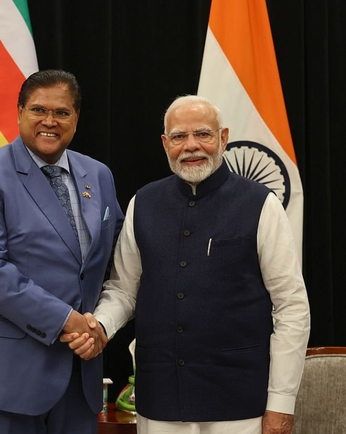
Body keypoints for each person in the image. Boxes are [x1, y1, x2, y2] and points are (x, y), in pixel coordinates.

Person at [62, 95, 310, 434]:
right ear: (166, 144)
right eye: (179, 136)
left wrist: (281, 403)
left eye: (203, 134)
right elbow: (123, 290)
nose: (191, 145)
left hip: (240, 403)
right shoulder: (143, 203)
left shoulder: (261, 204)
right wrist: (100, 327)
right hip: (160, 400)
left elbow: (292, 307)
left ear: (223, 138)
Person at [0, 69, 124, 434]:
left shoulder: (98, 174)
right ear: (19, 113)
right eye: (38, 110)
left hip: (80, 374)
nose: (49, 121)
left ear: (76, 118)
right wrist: (67, 320)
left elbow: (117, 260)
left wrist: (101, 324)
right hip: (5, 378)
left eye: (62, 112)